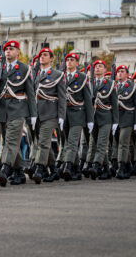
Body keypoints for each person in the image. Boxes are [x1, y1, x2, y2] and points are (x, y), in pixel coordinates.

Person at [0, 40, 37, 186]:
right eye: (6, 49)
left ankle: (5, 169)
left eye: (11, 49)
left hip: (18, 108)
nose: (8, 52)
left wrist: (33, 114)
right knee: (8, 141)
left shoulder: (24, 69)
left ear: (18, 52)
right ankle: (19, 172)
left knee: (11, 140)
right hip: (2, 109)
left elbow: (30, 93)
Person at [55, 53, 93, 181]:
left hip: (78, 113)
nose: (69, 62)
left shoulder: (82, 77)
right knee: (66, 142)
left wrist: (90, 119)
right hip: (64, 114)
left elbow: (88, 99)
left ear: (77, 63)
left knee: (72, 142)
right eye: (68, 60)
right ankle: (76, 169)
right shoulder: (61, 76)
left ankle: (68, 166)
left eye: (72, 60)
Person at [32, 48, 65, 182]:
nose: (42, 57)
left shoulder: (57, 74)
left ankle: (40, 168)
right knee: (42, 142)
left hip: (50, 113)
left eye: (45, 55)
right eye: (40, 55)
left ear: (51, 59)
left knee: (43, 142)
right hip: (37, 113)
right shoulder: (36, 74)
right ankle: (54, 169)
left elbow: (62, 97)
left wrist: (61, 116)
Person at [86, 60, 117, 180]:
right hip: (93, 118)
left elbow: (114, 104)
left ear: (105, 70)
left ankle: (96, 165)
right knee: (95, 143)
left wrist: (115, 121)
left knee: (101, 143)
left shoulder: (110, 84)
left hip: (105, 117)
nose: (97, 68)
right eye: (96, 67)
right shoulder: (89, 83)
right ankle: (107, 169)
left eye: (100, 66)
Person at [113, 64, 136, 179]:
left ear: (127, 74)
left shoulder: (133, 87)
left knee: (123, 143)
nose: (119, 73)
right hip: (116, 119)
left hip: (128, 118)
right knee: (119, 143)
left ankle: (121, 167)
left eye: (122, 71)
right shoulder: (113, 86)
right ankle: (128, 166)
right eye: (118, 71)